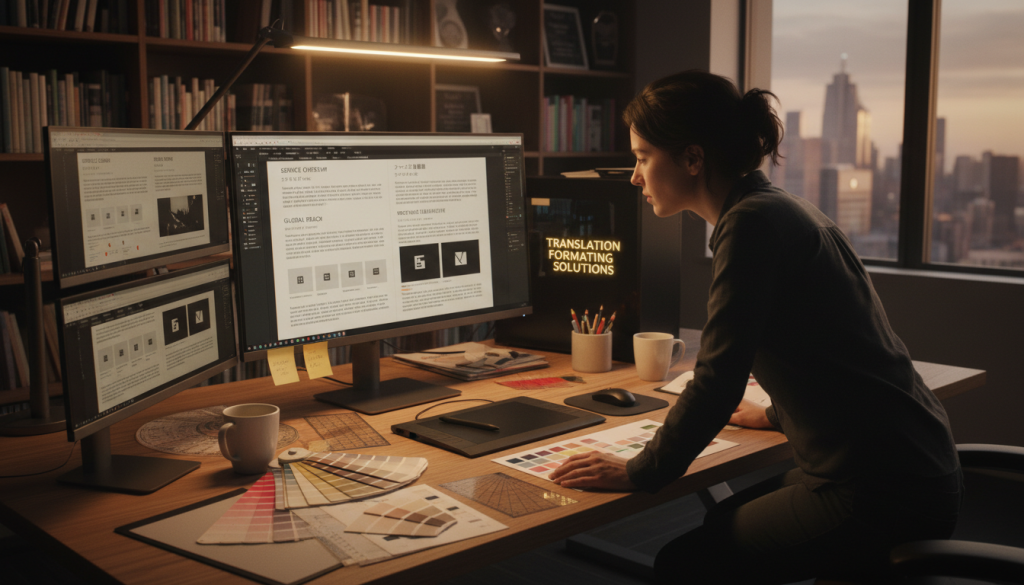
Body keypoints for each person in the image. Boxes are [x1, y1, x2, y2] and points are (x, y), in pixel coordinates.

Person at [547, 70, 962, 584]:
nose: (634, 177)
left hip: (881, 490)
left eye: (643, 157)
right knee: (720, 522)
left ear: (693, 158)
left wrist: (640, 471)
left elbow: (717, 382)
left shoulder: (751, 225)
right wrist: (772, 413)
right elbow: (836, 353)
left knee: (685, 563)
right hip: (911, 465)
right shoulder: (780, 208)